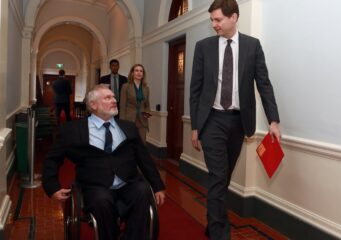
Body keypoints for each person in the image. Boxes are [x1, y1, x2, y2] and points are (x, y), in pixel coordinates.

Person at [189, 0, 281, 239]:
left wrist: (273, 120)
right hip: (212, 120)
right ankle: (221, 234)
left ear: (234, 17)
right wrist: (196, 126)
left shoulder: (252, 46)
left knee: (223, 177)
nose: (214, 25)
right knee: (219, 177)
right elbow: (195, 90)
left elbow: (264, 84)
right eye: (212, 20)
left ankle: (213, 221)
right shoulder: (203, 47)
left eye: (218, 20)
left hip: (239, 122)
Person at [42, 84, 166, 240]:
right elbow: (52, 159)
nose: (114, 100)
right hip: (96, 185)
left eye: (114, 97)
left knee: (143, 191)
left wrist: (157, 186)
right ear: (93, 105)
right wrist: (52, 187)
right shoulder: (72, 130)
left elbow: (144, 159)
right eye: (108, 98)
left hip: (128, 182)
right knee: (101, 200)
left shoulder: (128, 128)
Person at [120, 64, 151, 143]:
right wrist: (123, 123)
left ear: (143, 74)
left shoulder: (146, 88)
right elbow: (122, 106)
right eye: (136, 70)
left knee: (142, 143)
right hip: (129, 119)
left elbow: (147, 104)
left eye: (141, 71)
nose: (139, 73)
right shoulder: (125, 86)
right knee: (130, 143)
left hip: (142, 120)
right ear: (132, 73)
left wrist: (147, 113)